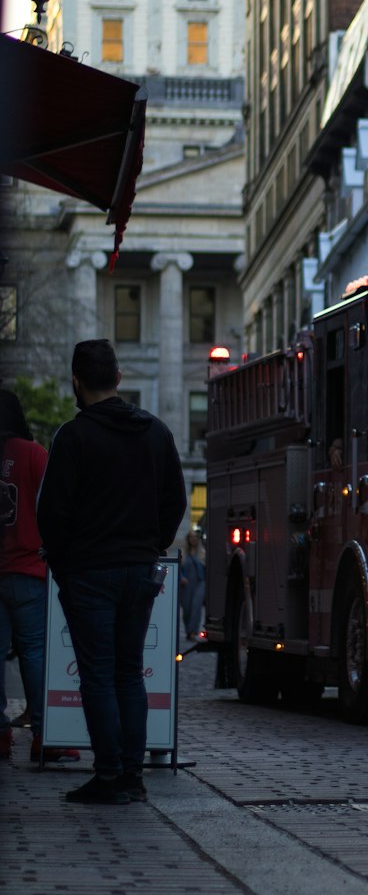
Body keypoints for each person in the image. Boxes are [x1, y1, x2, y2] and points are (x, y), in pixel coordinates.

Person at [37, 340, 186, 804]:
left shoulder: (72, 437)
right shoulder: (156, 433)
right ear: (119, 379)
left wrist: (62, 564)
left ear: (76, 382)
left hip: (88, 572)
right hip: (139, 568)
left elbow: (53, 513)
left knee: (98, 676)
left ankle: (108, 775)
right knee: (128, 674)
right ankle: (131, 776)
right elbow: (176, 501)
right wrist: (153, 545)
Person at [0, 388, 80, 765]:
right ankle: (46, 736)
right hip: (29, 570)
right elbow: (54, 507)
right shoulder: (34, 455)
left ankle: (0, 736)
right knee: (34, 653)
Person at [179, 528, 206, 641]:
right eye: (191, 537)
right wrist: (181, 578)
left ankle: (193, 632)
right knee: (187, 609)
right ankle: (188, 630)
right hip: (186, 584)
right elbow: (178, 569)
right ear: (188, 539)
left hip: (199, 583)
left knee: (196, 606)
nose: (193, 539)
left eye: (195, 537)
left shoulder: (203, 553)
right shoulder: (183, 554)